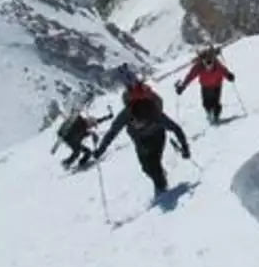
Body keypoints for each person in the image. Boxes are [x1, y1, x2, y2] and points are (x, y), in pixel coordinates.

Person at [92, 64, 191, 196]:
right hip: (141, 141)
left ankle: (162, 189)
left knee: (153, 165)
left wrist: (185, 147)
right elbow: (112, 132)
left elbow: (175, 128)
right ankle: (161, 180)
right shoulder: (129, 113)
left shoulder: (152, 114)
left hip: (156, 137)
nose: (138, 123)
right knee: (146, 168)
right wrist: (100, 150)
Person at [174, 46, 235, 124]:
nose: (209, 66)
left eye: (210, 63)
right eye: (207, 63)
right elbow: (190, 76)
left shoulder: (217, 65)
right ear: (203, 62)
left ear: (213, 61)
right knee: (206, 104)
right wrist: (182, 87)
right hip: (205, 86)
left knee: (216, 103)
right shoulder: (198, 67)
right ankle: (210, 114)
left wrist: (229, 76)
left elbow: (224, 70)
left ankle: (216, 117)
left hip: (217, 85)